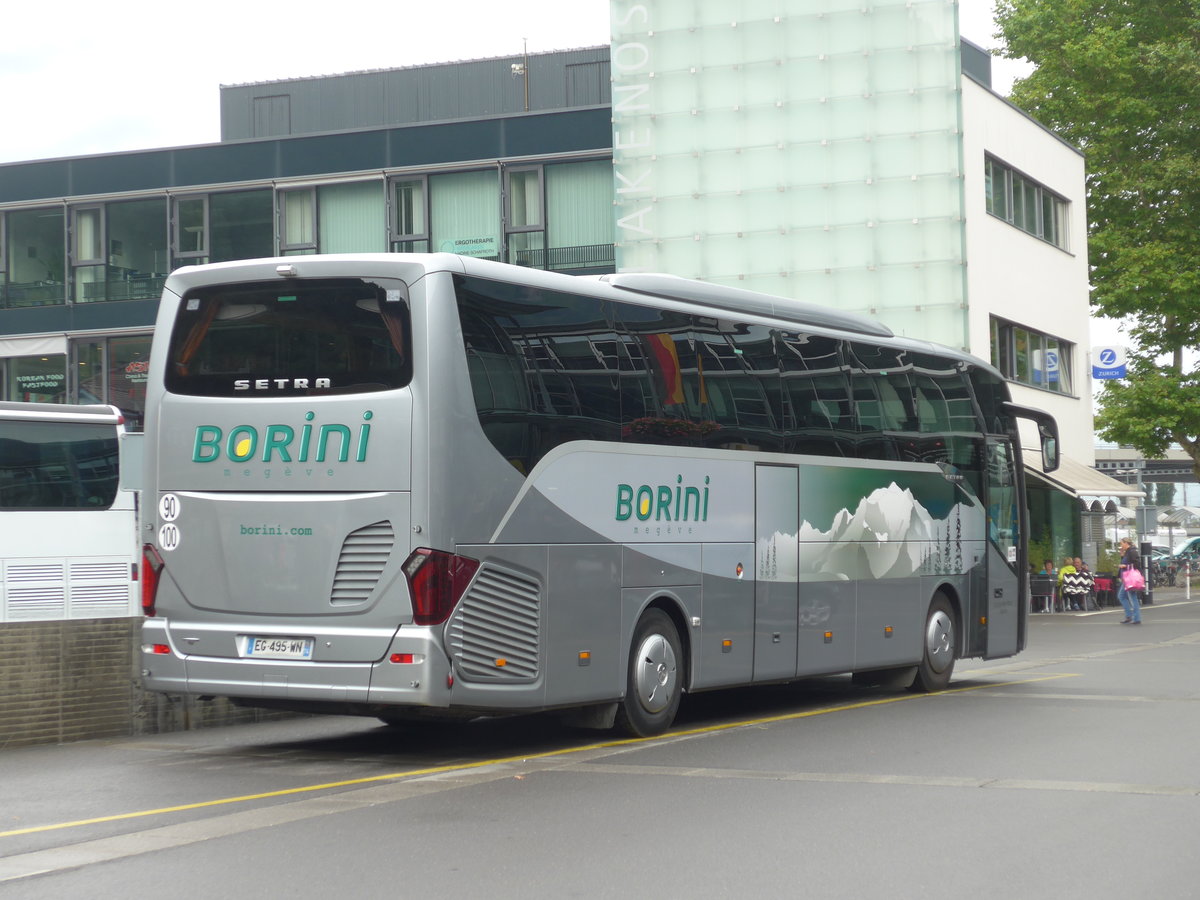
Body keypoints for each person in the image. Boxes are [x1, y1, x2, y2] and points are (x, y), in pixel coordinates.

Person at [1117, 538, 1143, 624]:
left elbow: (1137, 564)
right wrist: (1122, 556)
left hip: (1130, 578)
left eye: (1121, 543)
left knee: (1130, 596)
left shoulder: (1132, 551)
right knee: (1123, 596)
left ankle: (1134, 617)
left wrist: (1125, 566)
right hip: (1127, 578)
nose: (1121, 545)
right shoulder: (1128, 552)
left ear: (1126, 543)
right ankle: (1131, 616)